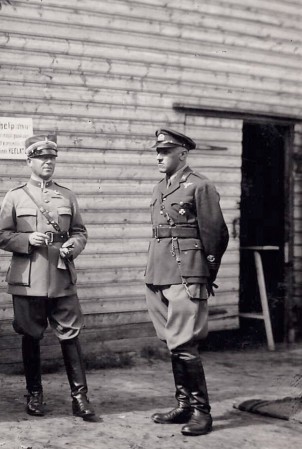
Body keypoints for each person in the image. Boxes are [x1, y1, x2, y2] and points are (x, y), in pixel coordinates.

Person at [0, 134, 97, 421]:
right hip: (28, 279)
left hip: (61, 276)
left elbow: (80, 232)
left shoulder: (67, 195)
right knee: (30, 336)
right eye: (42, 158)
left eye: (52, 158)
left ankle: (80, 398)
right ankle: (34, 394)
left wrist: (73, 246)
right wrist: (28, 239)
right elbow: (1, 236)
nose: (48, 163)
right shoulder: (15, 196)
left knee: (71, 335)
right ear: (29, 161)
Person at [144, 128, 228, 436]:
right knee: (172, 342)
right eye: (157, 152)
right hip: (157, 273)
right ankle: (183, 405)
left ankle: (202, 413)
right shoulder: (159, 187)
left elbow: (217, 235)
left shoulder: (199, 186)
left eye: (164, 152)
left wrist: (206, 274)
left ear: (183, 154)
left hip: (187, 272)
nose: (158, 157)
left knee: (184, 343)